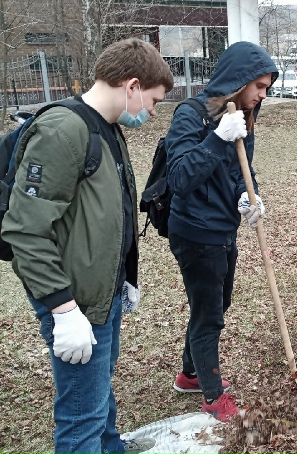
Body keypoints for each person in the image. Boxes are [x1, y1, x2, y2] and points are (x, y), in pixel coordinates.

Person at [1, 38, 173, 453]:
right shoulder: (64, 130)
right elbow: (25, 229)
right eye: (153, 101)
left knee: (98, 394)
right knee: (82, 415)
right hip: (73, 301)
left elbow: (110, 212)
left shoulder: (108, 128)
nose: (152, 113)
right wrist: (63, 311)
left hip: (100, 295)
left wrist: (124, 279)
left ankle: (111, 448)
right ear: (132, 85)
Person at [164, 41, 278, 422]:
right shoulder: (190, 114)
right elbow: (179, 177)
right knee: (210, 314)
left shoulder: (245, 116)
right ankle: (213, 397)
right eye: (259, 85)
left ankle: (190, 373)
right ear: (239, 79)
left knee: (215, 305)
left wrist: (250, 196)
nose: (263, 94)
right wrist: (216, 138)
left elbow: (239, 173)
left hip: (223, 228)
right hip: (195, 232)